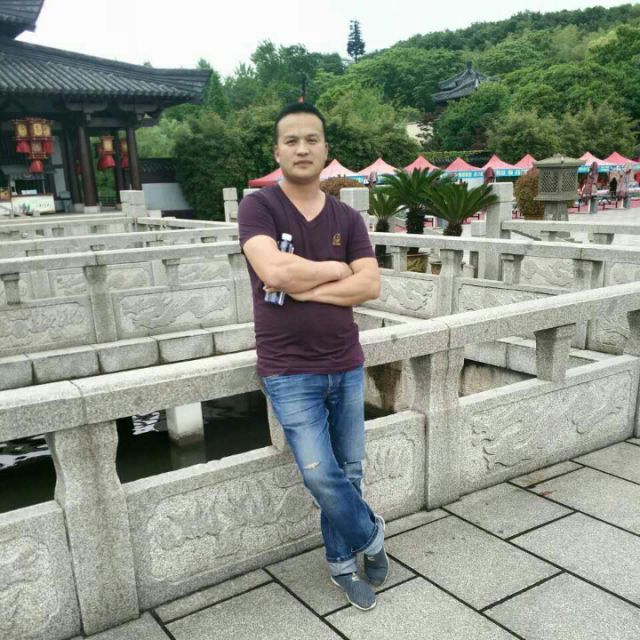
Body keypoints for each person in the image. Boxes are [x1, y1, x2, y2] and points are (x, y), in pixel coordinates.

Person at [237, 102, 386, 611]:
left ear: (326, 150)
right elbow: (274, 273)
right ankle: (372, 536)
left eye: (312, 140)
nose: (302, 149)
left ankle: (342, 565)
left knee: (351, 470)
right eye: (292, 140)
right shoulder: (258, 207)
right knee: (321, 473)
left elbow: (369, 285)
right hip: (288, 369)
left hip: (345, 362)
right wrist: (336, 271)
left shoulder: (347, 217)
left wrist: (305, 285)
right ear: (277, 151)